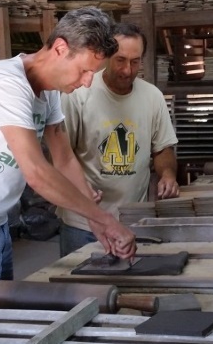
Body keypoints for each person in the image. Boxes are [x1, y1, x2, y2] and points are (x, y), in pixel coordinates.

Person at [0, 7, 137, 303]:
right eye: (85, 70)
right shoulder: (5, 82)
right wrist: (107, 221)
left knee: (0, 314)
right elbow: (37, 173)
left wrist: (97, 222)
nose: (87, 82)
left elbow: (64, 158)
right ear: (60, 48)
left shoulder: (48, 92)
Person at [58, 22, 179, 256]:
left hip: (132, 218)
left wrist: (168, 174)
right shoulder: (78, 94)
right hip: (82, 222)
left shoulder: (152, 97)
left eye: (135, 62)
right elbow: (61, 156)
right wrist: (81, 188)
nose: (127, 70)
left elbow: (162, 148)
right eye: (120, 60)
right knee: (78, 290)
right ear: (105, 56)